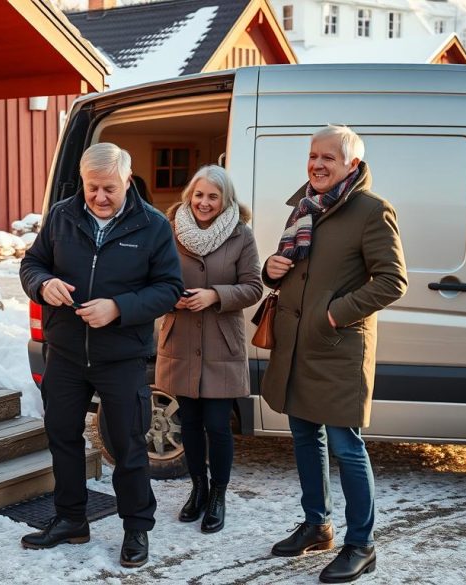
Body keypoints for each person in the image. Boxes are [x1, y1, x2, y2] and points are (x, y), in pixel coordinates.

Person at [19, 142, 183, 568]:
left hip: (123, 357)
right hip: (66, 354)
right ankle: (71, 519)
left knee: (128, 445)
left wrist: (119, 308)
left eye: (109, 188)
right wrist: (43, 284)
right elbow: (32, 264)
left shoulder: (152, 226)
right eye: (93, 187)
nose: (100, 197)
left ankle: (136, 530)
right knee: (63, 438)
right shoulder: (61, 215)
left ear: (127, 181)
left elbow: (168, 289)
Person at [261, 125, 407, 583]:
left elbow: (392, 281)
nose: (318, 164)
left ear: (352, 165)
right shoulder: (304, 206)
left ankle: (361, 544)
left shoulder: (372, 210)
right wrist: (270, 269)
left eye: (329, 158)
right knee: (305, 437)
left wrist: (333, 313)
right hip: (298, 345)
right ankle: (317, 525)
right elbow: (295, 272)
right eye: (313, 155)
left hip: (337, 347)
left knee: (347, 446)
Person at [155, 165, 262, 534]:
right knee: (190, 424)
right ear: (189, 196)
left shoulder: (241, 235)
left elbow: (253, 287)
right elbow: (153, 281)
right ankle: (197, 489)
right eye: (199, 195)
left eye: (213, 196)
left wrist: (215, 295)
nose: (204, 202)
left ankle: (218, 494)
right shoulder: (168, 232)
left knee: (218, 425)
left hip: (220, 342)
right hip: (181, 340)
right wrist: (174, 299)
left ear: (225, 200)